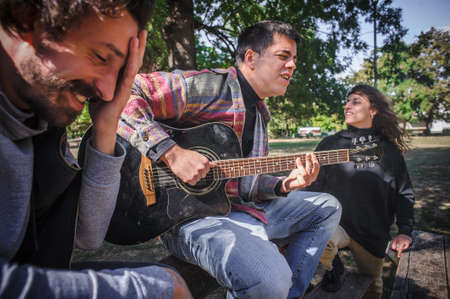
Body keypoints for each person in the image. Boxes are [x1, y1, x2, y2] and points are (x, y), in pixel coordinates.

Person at [118, 21, 341, 299]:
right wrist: (171, 153)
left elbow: (244, 184)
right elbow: (126, 92)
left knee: (327, 207)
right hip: (189, 218)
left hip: (237, 208)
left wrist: (284, 185)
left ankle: (291, 294)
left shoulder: (261, 113)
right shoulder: (207, 86)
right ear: (251, 58)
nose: (293, 65)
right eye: (284, 56)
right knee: (270, 280)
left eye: (294, 59)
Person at [0, 0, 192, 298]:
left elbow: (87, 236)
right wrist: (154, 289)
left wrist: (106, 125)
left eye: (118, 74)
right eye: (101, 57)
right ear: (28, 17)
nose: (105, 90)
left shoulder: (40, 124)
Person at [306, 84, 415, 299]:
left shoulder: (388, 150)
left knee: (372, 287)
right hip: (338, 225)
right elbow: (314, 187)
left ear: (373, 110)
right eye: (347, 101)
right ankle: (332, 268)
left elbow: (403, 192)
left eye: (356, 101)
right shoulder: (329, 144)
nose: (347, 106)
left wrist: (404, 230)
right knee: (315, 235)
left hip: (372, 231)